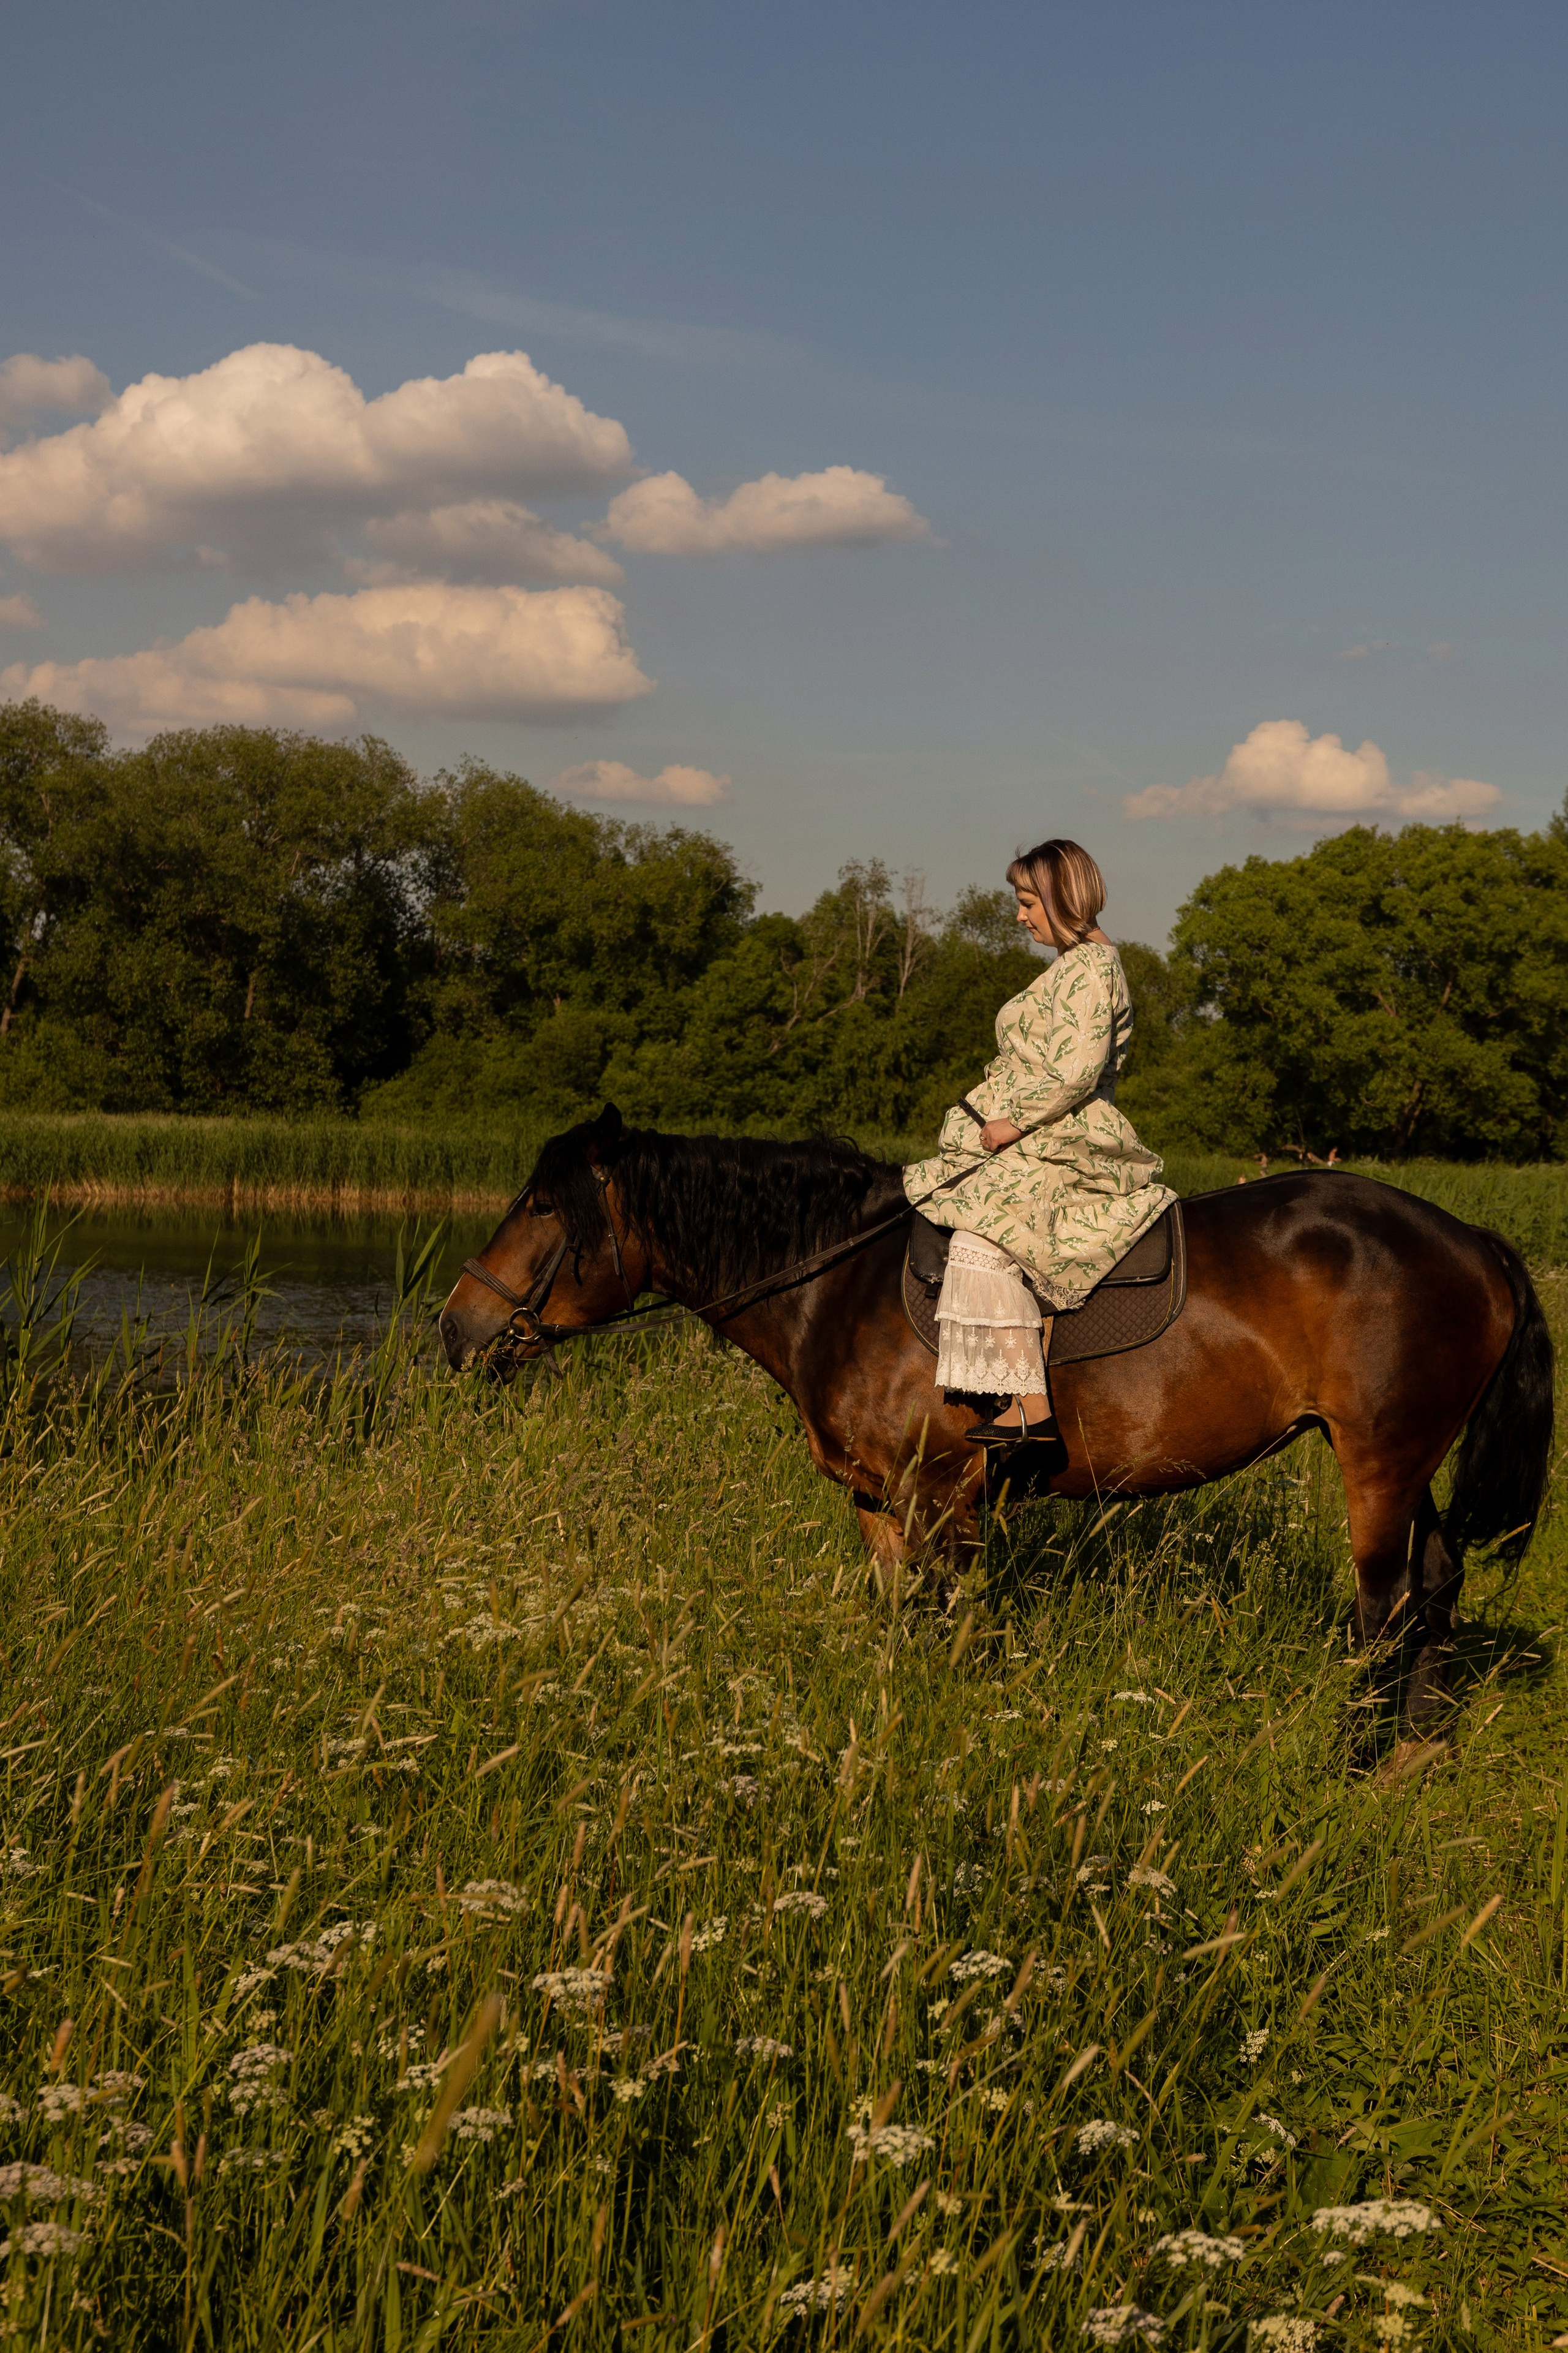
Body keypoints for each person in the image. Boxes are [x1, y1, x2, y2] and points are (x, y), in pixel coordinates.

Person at [902, 838, 1176, 1444]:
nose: (1020, 915)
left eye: (1028, 901)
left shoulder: (1090, 969)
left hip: (1058, 1135)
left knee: (986, 1232)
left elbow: (1075, 1071)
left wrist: (1013, 1121)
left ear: (1061, 898)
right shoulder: (1073, 967)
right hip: (1040, 1126)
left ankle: (1030, 1406)